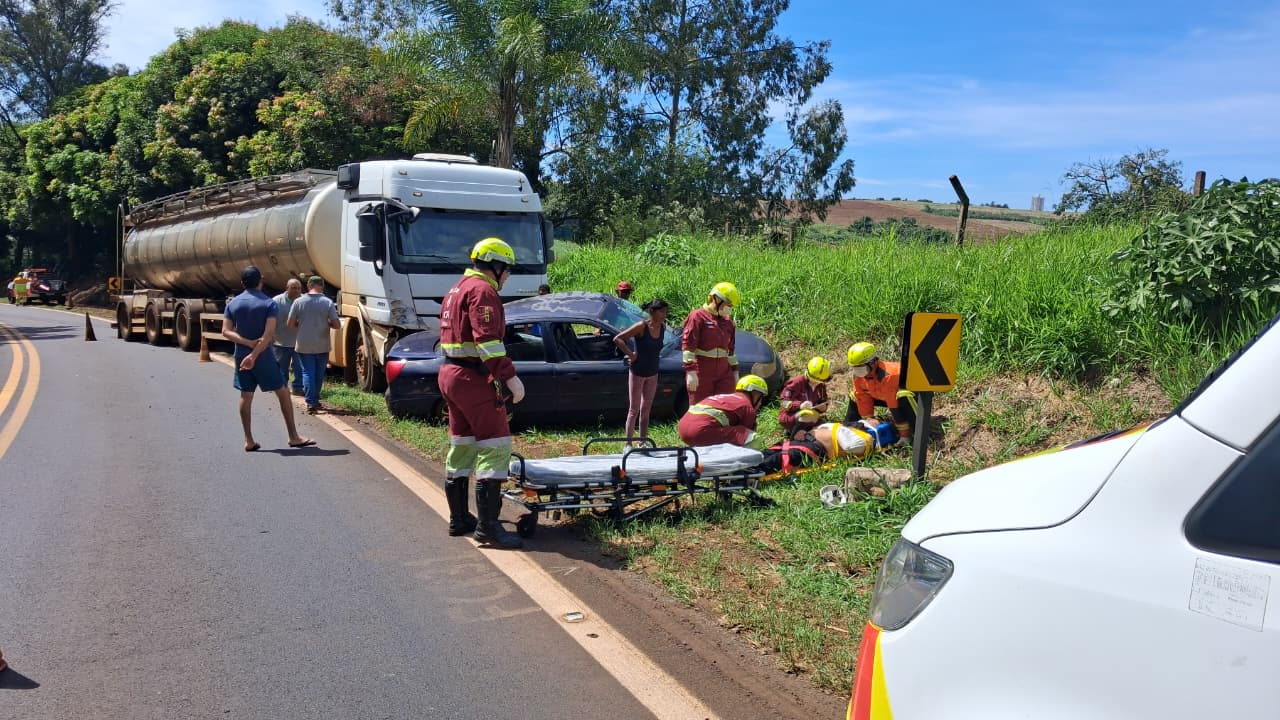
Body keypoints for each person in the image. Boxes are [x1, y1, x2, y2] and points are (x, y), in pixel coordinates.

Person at [438, 237, 526, 548]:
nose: (507, 276)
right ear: (496, 266)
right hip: (472, 378)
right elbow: (487, 341)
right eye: (507, 270)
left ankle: (459, 518)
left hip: (450, 374)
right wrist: (510, 377)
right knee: (495, 444)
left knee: (462, 445)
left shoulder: (457, 288)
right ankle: (488, 527)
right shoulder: (482, 291)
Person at [222, 266, 314, 452]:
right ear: (261, 280)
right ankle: (293, 436)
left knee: (246, 395)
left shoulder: (233, 303)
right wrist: (254, 354)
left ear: (242, 283)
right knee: (283, 392)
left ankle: (248, 440)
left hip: (241, 355)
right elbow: (268, 334)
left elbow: (226, 331)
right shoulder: (268, 303)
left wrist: (247, 345)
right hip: (263, 356)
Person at [613, 298, 669, 445]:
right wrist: (631, 355)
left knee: (646, 410)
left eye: (666, 312)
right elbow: (618, 339)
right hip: (637, 373)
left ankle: (642, 442)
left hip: (653, 373)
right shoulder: (641, 326)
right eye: (662, 312)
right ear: (653, 312)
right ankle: (628, 444)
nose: (664, 315)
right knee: (634, 410)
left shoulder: (662, 327)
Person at [755, 420, 897, 474]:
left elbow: (850, 446)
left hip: (815, 450)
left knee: (779, 458)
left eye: (877, 420)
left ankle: (748, 472)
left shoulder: (863, 439)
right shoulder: (848, 426)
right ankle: (745, 462)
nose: (873, 418)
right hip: (803, 441)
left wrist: (844, 430)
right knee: (769, 452)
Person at [287, 276, 341, 414]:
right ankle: (314, 399)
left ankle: (311, 401)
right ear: (322, 286)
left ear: (308, 286)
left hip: (304, 344)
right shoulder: (327, 302)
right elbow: (337, 325)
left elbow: (290, 324)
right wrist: (326, 323)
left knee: (307, 372)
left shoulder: (298, 302)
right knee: (318, 373)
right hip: (322, 344)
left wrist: (301, 324)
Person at [844, 341, 918, 440]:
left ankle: (918, 428)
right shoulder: (858, 376)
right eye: (855, 368)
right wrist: (869, 420)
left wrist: (904, 435)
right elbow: (862, 398)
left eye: (861, 368)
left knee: (902, 395)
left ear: (873, 362)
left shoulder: (889, 376)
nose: (858, 372)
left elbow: (894, 405)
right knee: (855, 396)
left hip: (909, 397)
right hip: (883, 396)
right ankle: (848, 430)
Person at [682, 281, 739, 404]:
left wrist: (735, 372)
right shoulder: (697, 317)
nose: (729, 308)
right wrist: (691, 372)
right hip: (702, 372)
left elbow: (731, 351)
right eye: (728, 304)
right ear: (717, 299)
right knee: (700, 408)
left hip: (724, 374)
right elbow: (688, 347)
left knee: (725, 407)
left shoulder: (728, 323)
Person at [677, 374, 768, 448]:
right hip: (699, 432)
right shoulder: (747, 407)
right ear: (755, 393)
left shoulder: (727, 397)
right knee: (753, 438)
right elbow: (746, 436)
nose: (760, 403)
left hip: (682, 428)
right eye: (760, 398)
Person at [778, 356, 832, 435]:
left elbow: (823, 399)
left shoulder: (821, 386)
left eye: (819, 382)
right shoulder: (796, 383)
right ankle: (793, 435)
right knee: (805, 415)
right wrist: (800, 405)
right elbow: (783, 403)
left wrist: (823, 407)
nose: (816, 383)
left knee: (825, 429)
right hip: (790, 416)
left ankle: (804, 430)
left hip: (811, 416)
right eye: (813, 381)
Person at [272, 278, 305, 397]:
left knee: (299, 367)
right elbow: (270, 320)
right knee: (282, 367)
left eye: (299, 288)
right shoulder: (276, 301)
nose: (297, 291)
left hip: (299, 342)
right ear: (287, 288)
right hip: (281, 341)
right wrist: (270, 336)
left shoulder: (304, 300)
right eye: (293, 288)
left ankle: (298, 388)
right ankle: (282, 388)